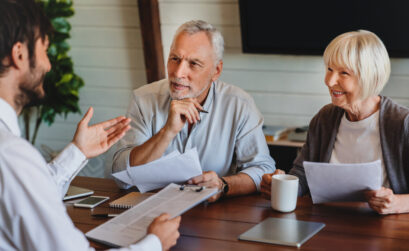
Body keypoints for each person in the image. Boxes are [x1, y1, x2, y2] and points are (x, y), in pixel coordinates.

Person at [0, 0, 180, 250]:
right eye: (44, 50)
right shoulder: (12, 155)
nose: (49, 65)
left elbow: (26, 199)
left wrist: (78, 151)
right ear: (19, 54)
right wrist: (154, 243)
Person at [112, 20, 275, 202]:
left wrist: (223, 185)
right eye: (175, 59)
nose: (178, 72)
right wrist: (167, 132)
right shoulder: (143, 99)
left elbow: (263, 169)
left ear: (216, 71)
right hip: (152, 210)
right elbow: (120, 175)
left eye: (194, 63)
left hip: (214, 217)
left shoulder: (239, 104)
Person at [261, 30, 409, 215]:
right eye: (329, 69)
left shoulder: (402, 123)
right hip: (327, 222)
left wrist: (398, 203)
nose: (330, 81)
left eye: (344, 73)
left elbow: (401, 202)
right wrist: (281, 185)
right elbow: (303, 174)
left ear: (369, 77)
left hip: (385, 229)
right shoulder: (325, 118)